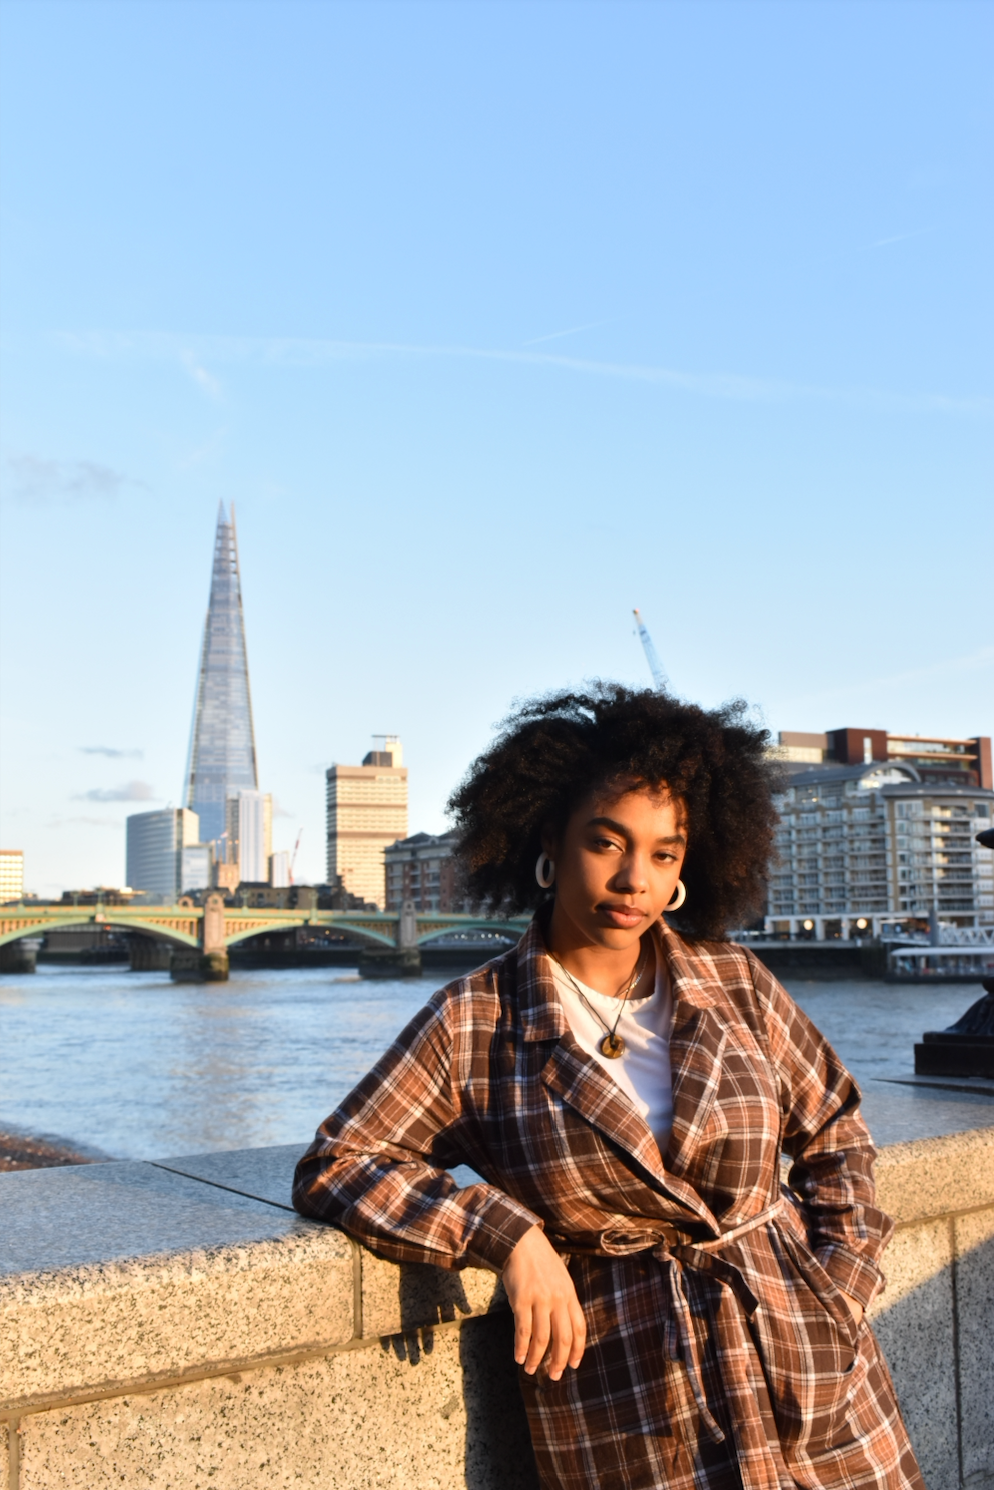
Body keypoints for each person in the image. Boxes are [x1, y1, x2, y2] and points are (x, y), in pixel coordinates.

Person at [294, 686, 924, 1490]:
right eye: (607, 843)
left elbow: (837, 1133)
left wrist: (838, 1292)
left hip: (816, 1377)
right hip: (634, 1412)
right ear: (548, 844)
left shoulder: (734, 982)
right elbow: (339, 1161)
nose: (635, 879)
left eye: (664, 854)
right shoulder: (474, 1021)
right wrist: (502, 1233)